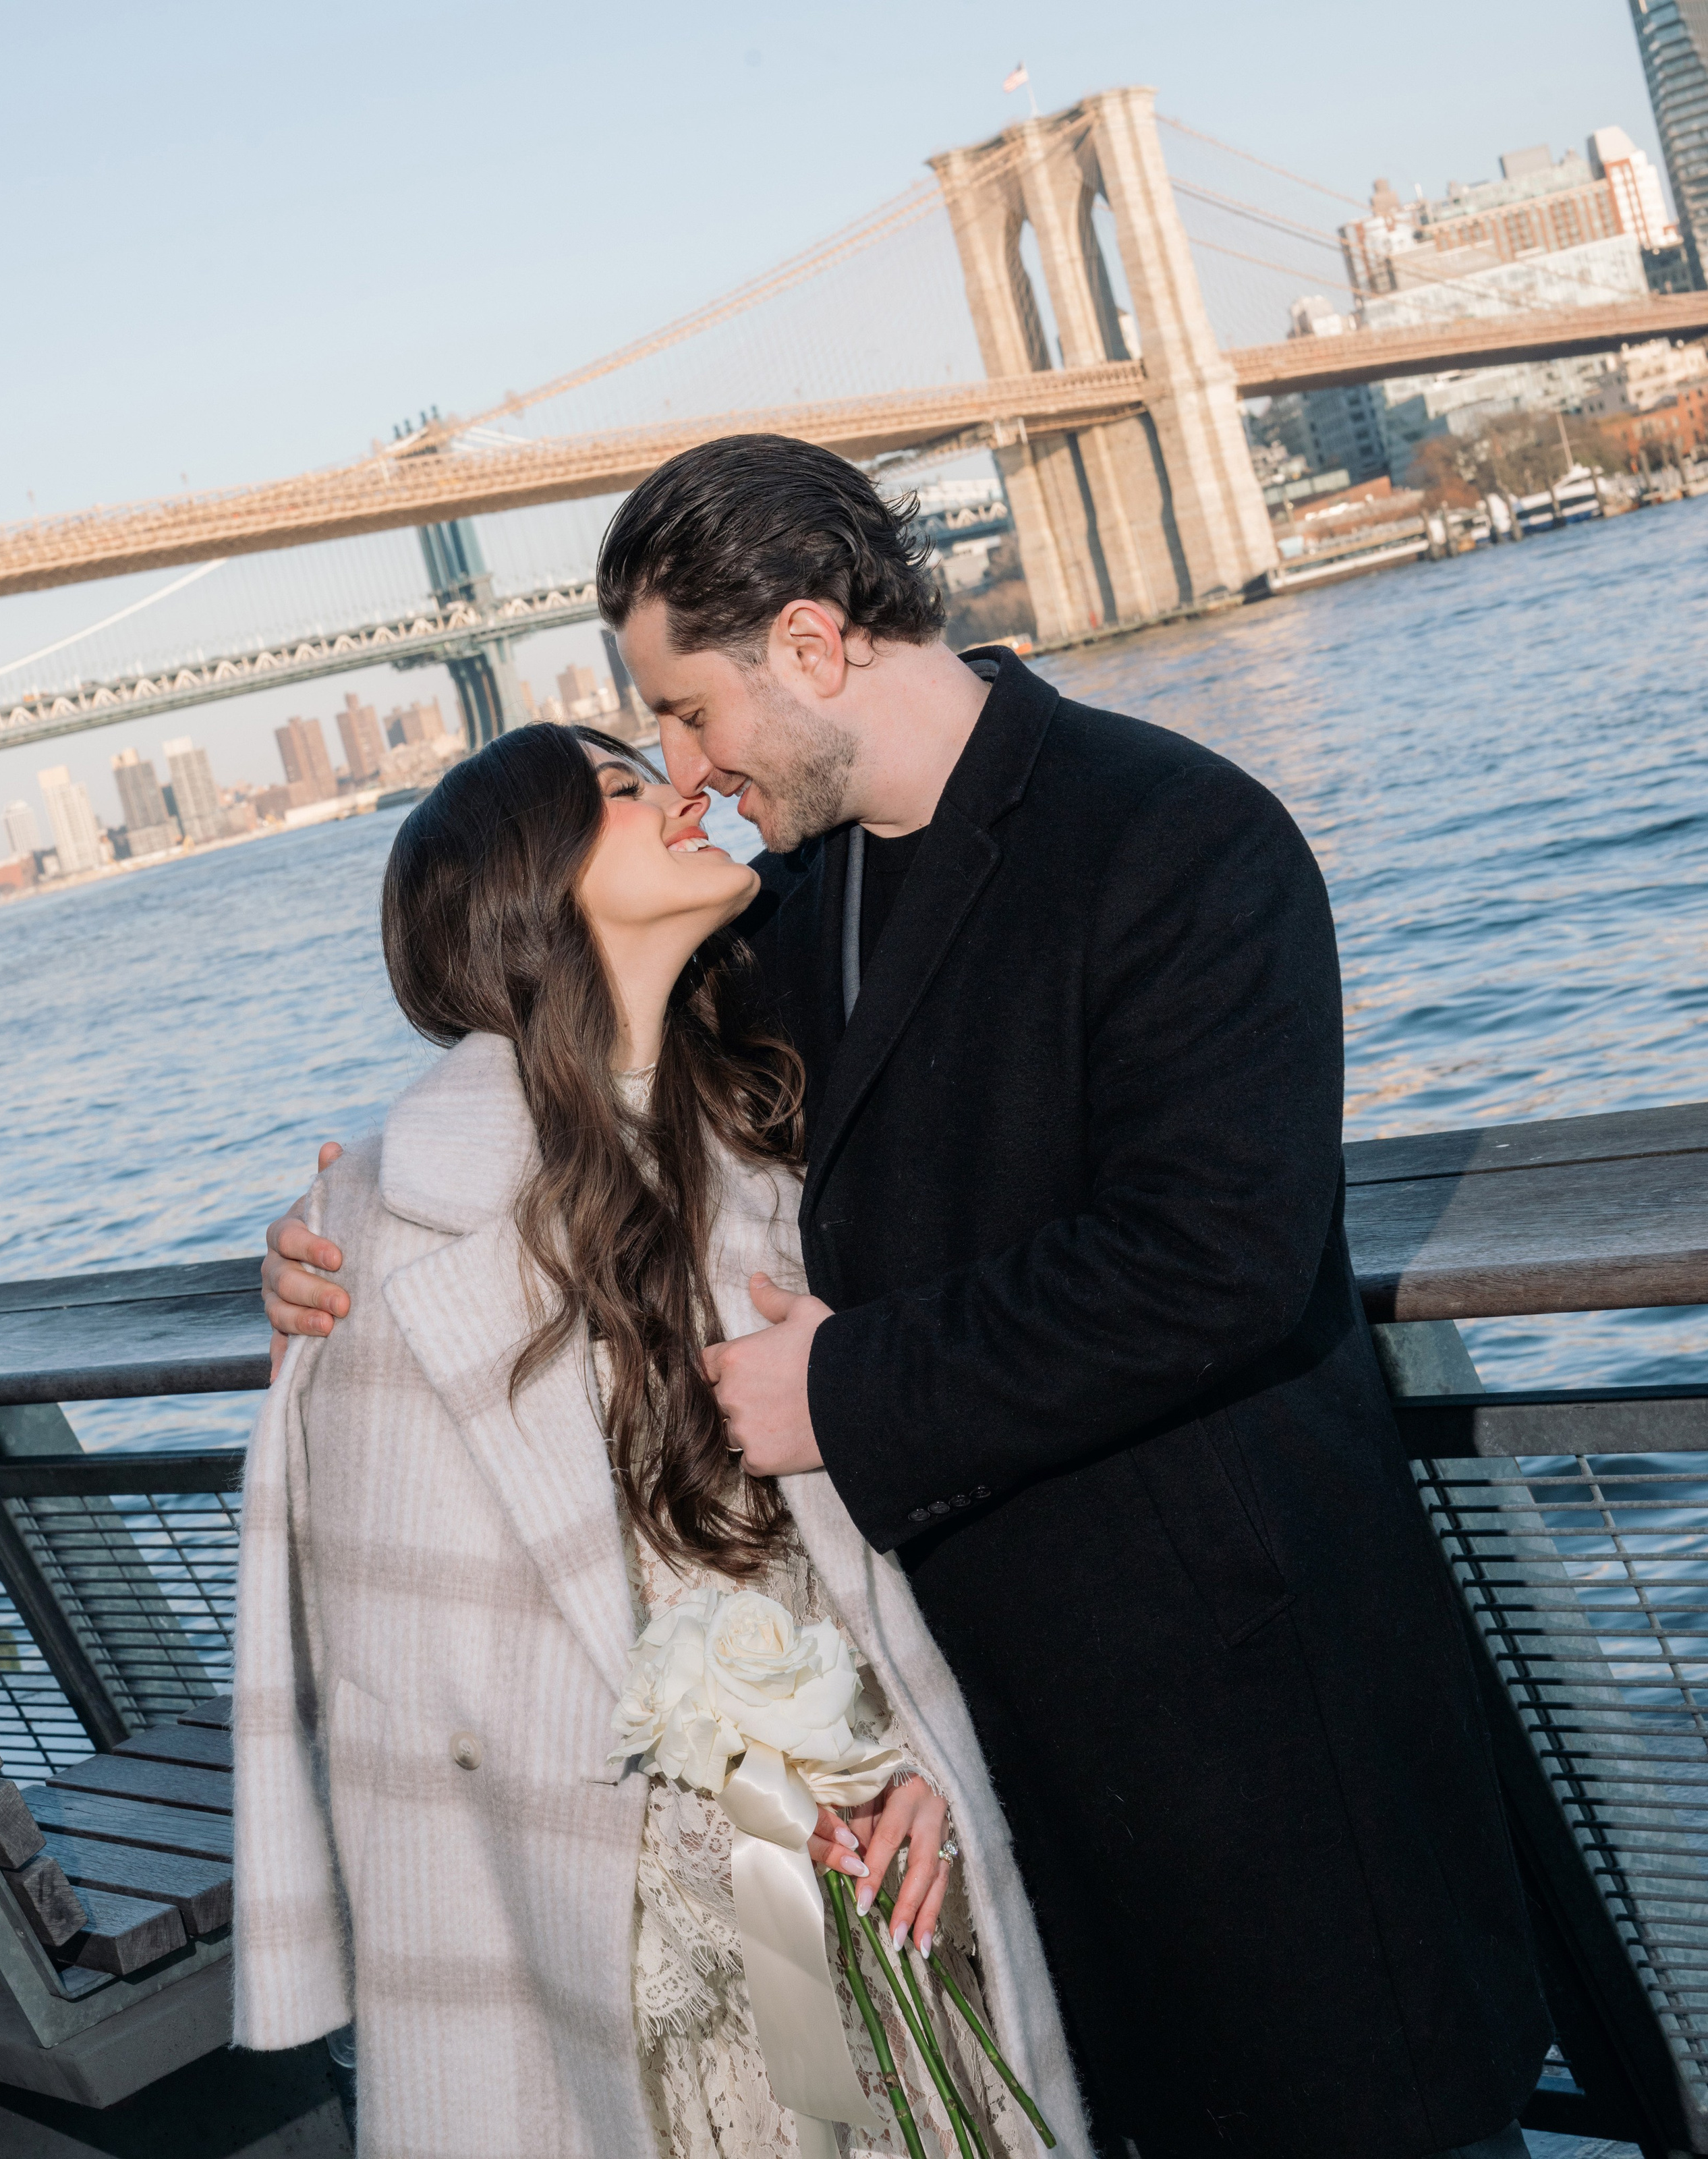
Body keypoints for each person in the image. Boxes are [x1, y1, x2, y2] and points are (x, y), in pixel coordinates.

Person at [262, 437, 1551, 2159]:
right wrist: (333, 1235)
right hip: (921, 1790)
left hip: (1228, 1744)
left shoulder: (1175, 836)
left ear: (808, 647)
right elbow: (574, 1089)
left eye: (689, 717)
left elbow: (1218, 1257)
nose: (687, 768)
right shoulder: (782, 914)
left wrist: (849, 1392)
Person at [234, 722, 1088, 2159]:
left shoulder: (771, 1123)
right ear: (535, 886)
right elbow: (409, 1680)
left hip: (858, 1836)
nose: (683, 790)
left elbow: (882, 1522)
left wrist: (920, 1757)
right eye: (627, 792)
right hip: (648, 1904)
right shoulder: (392, 1229)